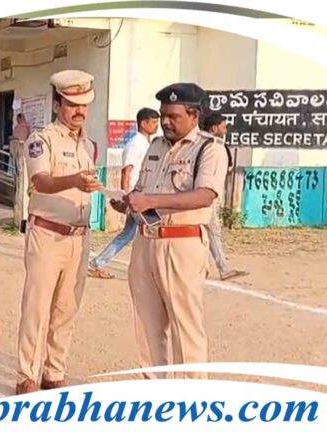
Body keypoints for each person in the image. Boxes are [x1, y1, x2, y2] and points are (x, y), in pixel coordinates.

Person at [114, 83, 228, 380]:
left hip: (182, 245)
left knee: (185, 328)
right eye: (163, 115)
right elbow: (142, 190)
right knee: (148, 328)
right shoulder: (155, 146)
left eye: (173, 116)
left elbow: (205, 195)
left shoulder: (210, 149)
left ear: (194, 115)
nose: (165, 121)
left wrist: (150, 200)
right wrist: (128, 203)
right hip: (146, 244)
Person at [15, 70, 102, 394]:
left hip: (79, 237)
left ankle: (54, 373)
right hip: (47, 235)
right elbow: (41, 182)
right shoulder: (42, 140)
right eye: (72, 104)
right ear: (57, 105)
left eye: (84, 105)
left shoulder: (89, 145)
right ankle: (26, 375)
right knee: (37, 308)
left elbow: (87, 188)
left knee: (67, 309)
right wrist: (74, 181)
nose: (79, 111)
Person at [88, 108, 160, 279]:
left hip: (142, 195)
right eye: (153, 122)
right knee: (152, 231)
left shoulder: (146, 144)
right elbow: (126, 171)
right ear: (143, 123)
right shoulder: (135, 144)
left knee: (129, 234)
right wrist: (126, 197)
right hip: (136, 195)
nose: (157, 125)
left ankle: (96, 263)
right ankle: (151, 270)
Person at [200, 113, 249, 281]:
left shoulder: (200, 143)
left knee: (203, 232)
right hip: (207, 195)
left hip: (203, 194)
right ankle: (223, 268)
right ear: (214, 128)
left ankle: (204, 268)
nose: (225, 130)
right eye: (223, 126)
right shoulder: (213, 146)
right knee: (212, 231)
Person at [10, 114, 31, 228]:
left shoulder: (22, 127)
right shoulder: (25, 127)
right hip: (19, 151)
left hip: (20, 151)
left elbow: (18, 138)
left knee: (18, 173)